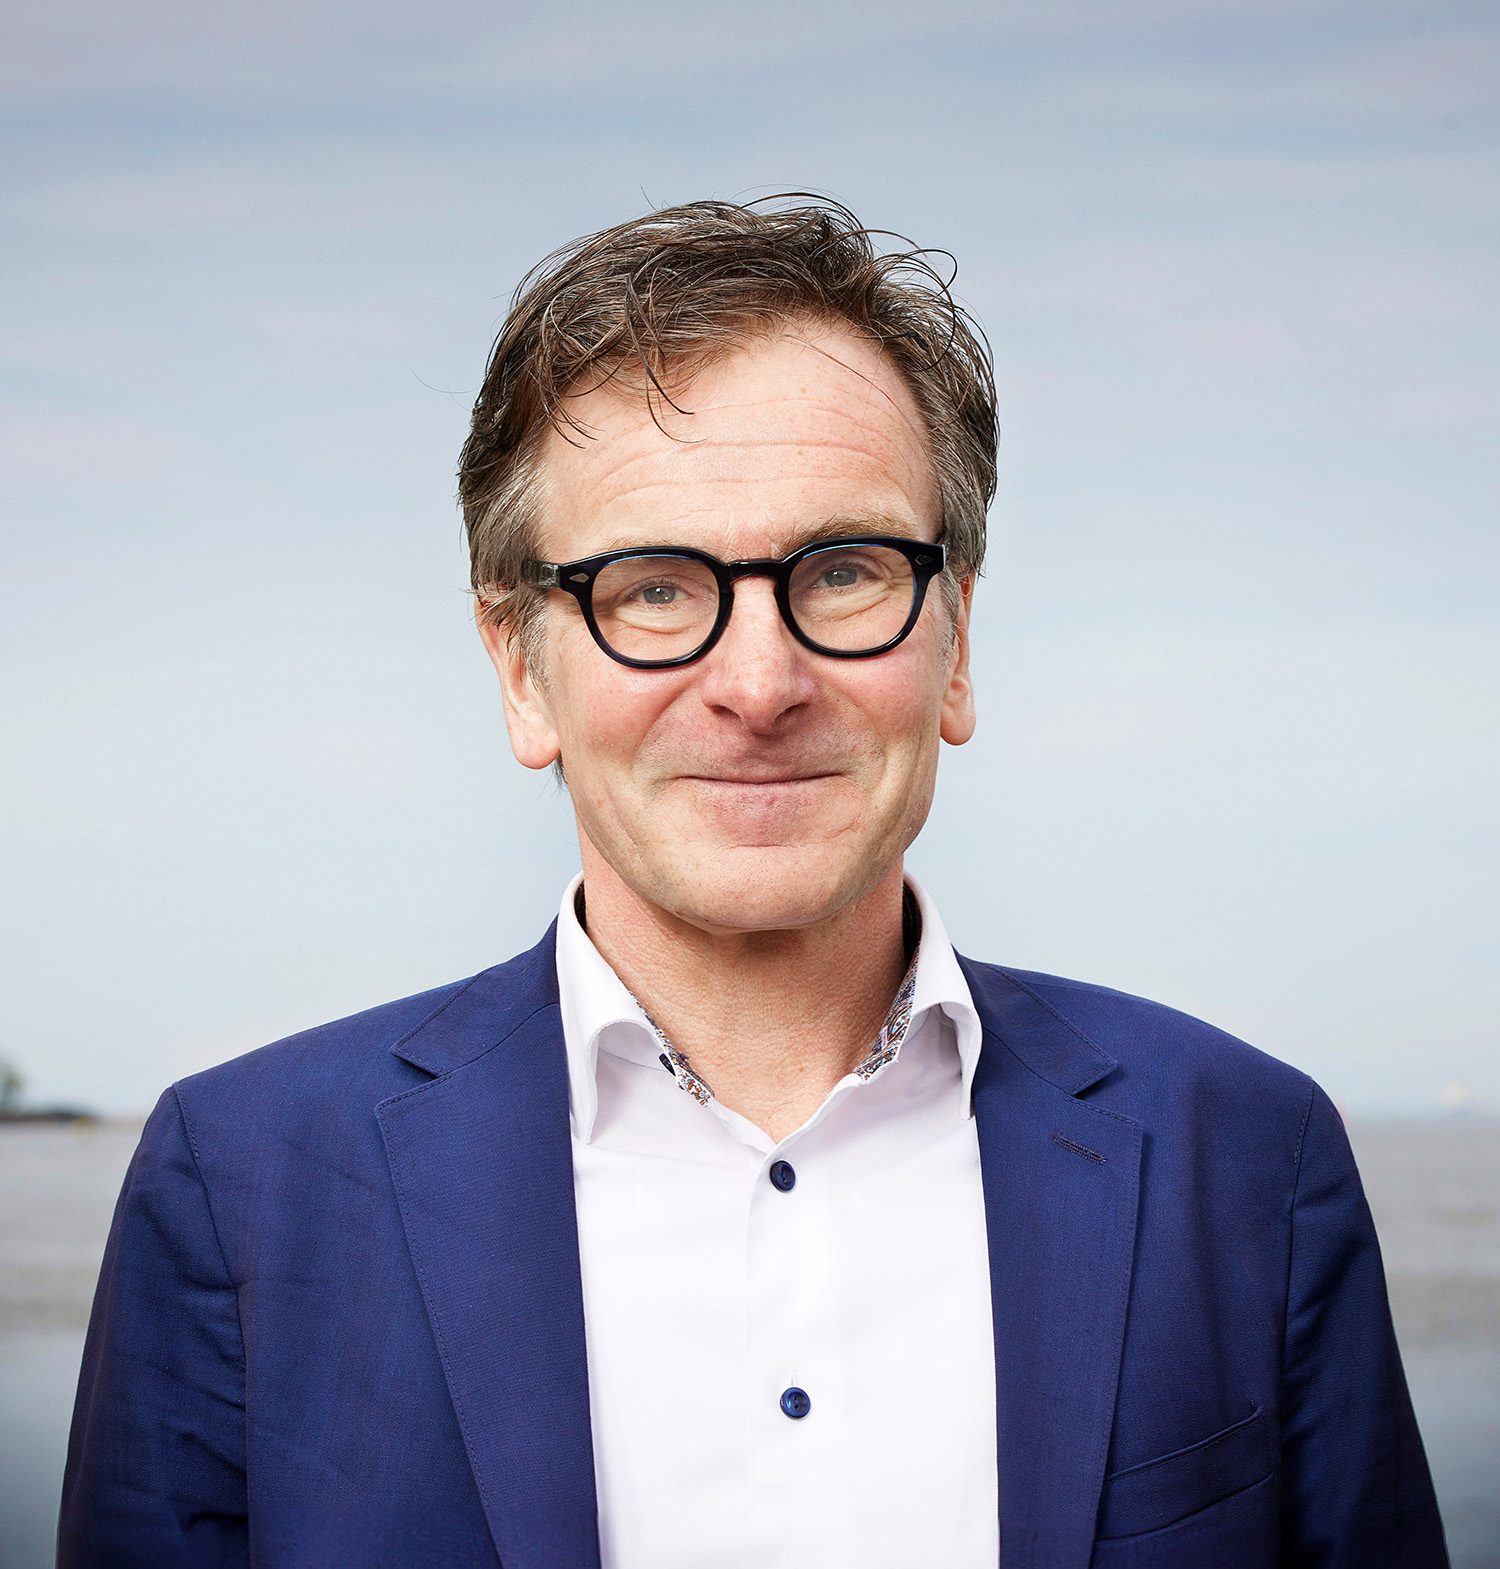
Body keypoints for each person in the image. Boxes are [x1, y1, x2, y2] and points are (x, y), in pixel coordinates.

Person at [58, 197, 1447, 1569]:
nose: (761, 684)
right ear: (519, 670)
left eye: (844, 572)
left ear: (957, 642)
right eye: (654, 587)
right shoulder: (241, 1189)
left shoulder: (1246, 1158)